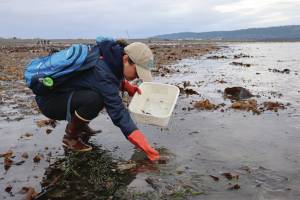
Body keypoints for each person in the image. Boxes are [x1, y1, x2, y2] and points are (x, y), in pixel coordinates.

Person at [35, 38, 160, 161]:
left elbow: (111, 76)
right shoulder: (102, 70)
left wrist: (128, 87)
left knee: (99, 96)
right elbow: (119, 114)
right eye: (137, 73)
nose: (136, 77)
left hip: (65, 94)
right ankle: (70, 138)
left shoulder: (112, 55)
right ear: (126, 59)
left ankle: (80, 126)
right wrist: (143, 144)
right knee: (96, 99)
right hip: (50, 101)